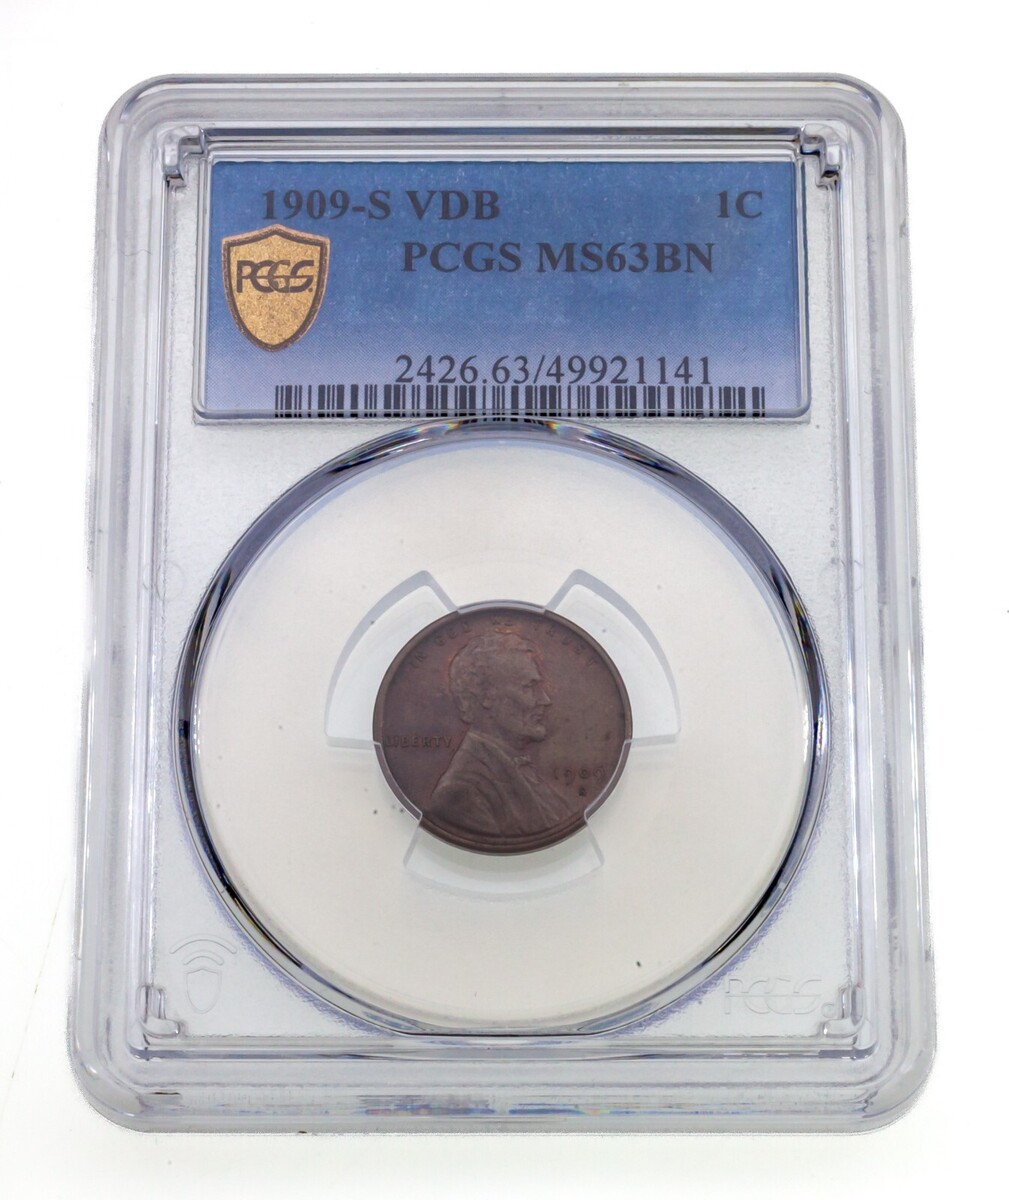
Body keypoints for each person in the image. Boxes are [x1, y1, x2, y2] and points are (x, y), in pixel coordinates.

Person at [426, 631, 568, 840]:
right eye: (529, 687)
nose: (545, 700)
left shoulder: (514, 769)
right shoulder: (461, 791)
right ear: (486, 696)